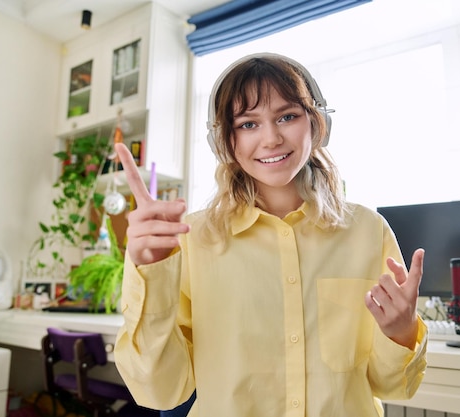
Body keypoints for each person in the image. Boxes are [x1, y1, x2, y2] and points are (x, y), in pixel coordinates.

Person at [113, 52, 427, 417]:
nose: (271, 138)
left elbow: (395, 387)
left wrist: (401, 332)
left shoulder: (367, 231)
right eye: (248, 124)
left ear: (317, 123)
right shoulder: (190, 239)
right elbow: (161, 391)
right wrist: (150, 274)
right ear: (224, 141)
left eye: (287, 116)